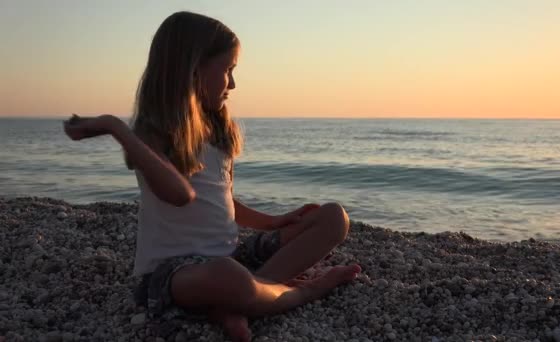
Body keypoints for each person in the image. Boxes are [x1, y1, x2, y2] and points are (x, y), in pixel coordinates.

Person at [63, 11, 361, 342]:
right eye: (227, 70)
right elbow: (180, 194)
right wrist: (116, 128)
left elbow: (222, 200)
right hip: (176, 274)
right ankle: (299, 292)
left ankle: (243, 300)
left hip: (230, 256)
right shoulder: (151, 135)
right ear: (192, 70)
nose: (232, 84)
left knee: (333, 218)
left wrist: (274, 222)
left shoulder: (217, 133)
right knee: (227, 277)